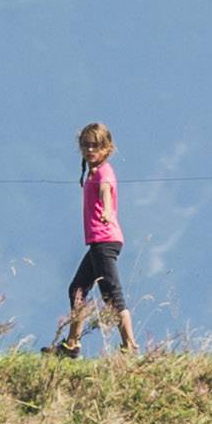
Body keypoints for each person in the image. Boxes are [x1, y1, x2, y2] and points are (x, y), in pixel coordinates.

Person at [52, 121, 136, 356]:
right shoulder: (93, 172)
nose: (90, 150)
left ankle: (130, 345)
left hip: (105, 241)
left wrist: (108, 211)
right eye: (86, 145)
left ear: (107, 148)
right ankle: (71, 344)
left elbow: (106, 191)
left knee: (112, 294)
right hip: (99, 242)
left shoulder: (104, 173)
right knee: (77, 288)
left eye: (96, 146)